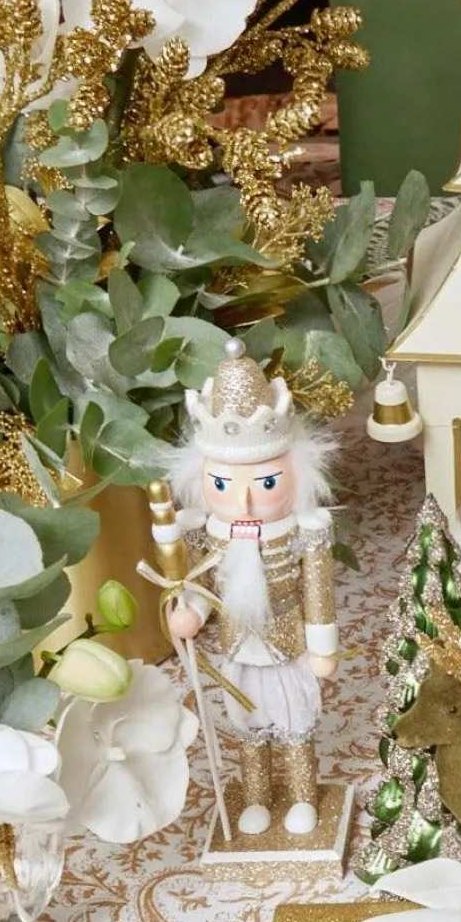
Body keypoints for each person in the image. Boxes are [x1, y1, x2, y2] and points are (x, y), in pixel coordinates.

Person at [164, 340, 339, 839]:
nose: (242, 501)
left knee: (294, 727)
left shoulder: (303, 532)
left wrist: (323, 646)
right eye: (222, 485)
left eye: (264, 484)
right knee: (248, 730)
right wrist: (192, 612)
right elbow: (201, 583)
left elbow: (318, 588)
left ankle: (303, 797)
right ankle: (258, 797)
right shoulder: (208, 533)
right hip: (238, 649)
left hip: (286, 645)